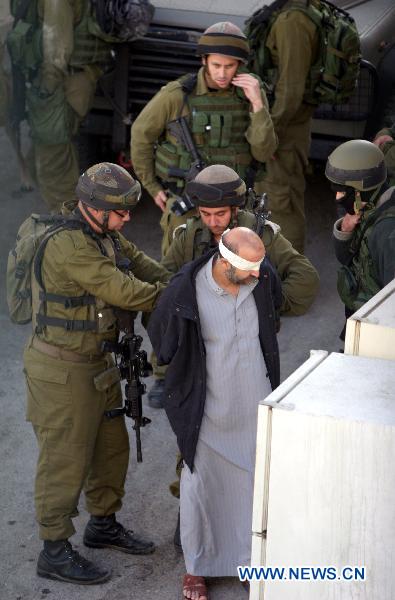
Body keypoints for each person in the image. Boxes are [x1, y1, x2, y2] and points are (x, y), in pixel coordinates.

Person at [23, 162, 170, 585]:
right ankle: (53, 549)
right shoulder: (71, 246)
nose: (128, 219)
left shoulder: (103, 233)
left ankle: (102, 525)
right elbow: (125, 290)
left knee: (110, 450)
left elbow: (141, 265)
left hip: (99, 365)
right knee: (64, 461)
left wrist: (179, 283)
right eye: (121, 212)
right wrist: (173, 298)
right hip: (61, 372)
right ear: (95, 207)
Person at [148, 226, 281, 600]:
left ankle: (248, 560)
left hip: (255, 402)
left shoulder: (262, 277)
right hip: (206, 412)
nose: (259, 273)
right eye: (250, 268)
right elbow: (163, 341)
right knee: (200, 489)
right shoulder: (184, 291)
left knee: (252, 487)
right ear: (225, 262)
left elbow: (275, 315)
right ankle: (197, 569)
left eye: (260, 266)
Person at [148, 164, 319, 408]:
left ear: (235, 209)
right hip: (202, 335)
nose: (212, 222)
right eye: (205, 214)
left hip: (245, 341)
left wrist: (268, 305)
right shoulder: (191, 234)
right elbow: (166, 279)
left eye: (220, 214)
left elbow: (305, 276)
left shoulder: (257, 233)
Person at [131, 21, 277, 256]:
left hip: (234, 205)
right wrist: (151, 185)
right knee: (177, 271)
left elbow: (263, 152)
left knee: (235, 269)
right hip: (187, 201)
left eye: (229, 66)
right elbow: (141, 134)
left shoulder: (250, 94)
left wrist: (258, 105)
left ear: (239, 65)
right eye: (216, 65)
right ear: (204, 60)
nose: (222, 73)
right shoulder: (177, 95)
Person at [7, 0, 153, 212]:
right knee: (45, 154)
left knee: (52, 157)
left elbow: (57, 43)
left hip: (62, 82)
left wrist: (46, 87)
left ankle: (67, 219)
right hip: (72, 79)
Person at [251, 2, 320, 253]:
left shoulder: (292, 21)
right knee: (271, 199)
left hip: (284, 131)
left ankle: (293, 281)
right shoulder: (289, 11)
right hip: (283, 125)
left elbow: (291, 90)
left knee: (283, 204)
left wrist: (270, 136)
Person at [325, 139, 395, 336]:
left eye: (343, 191)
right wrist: (345, 230)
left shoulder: (387, 233)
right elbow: (348, 258)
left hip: (379, 331)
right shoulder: (370, 207)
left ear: (361, 189)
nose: (338, 197)